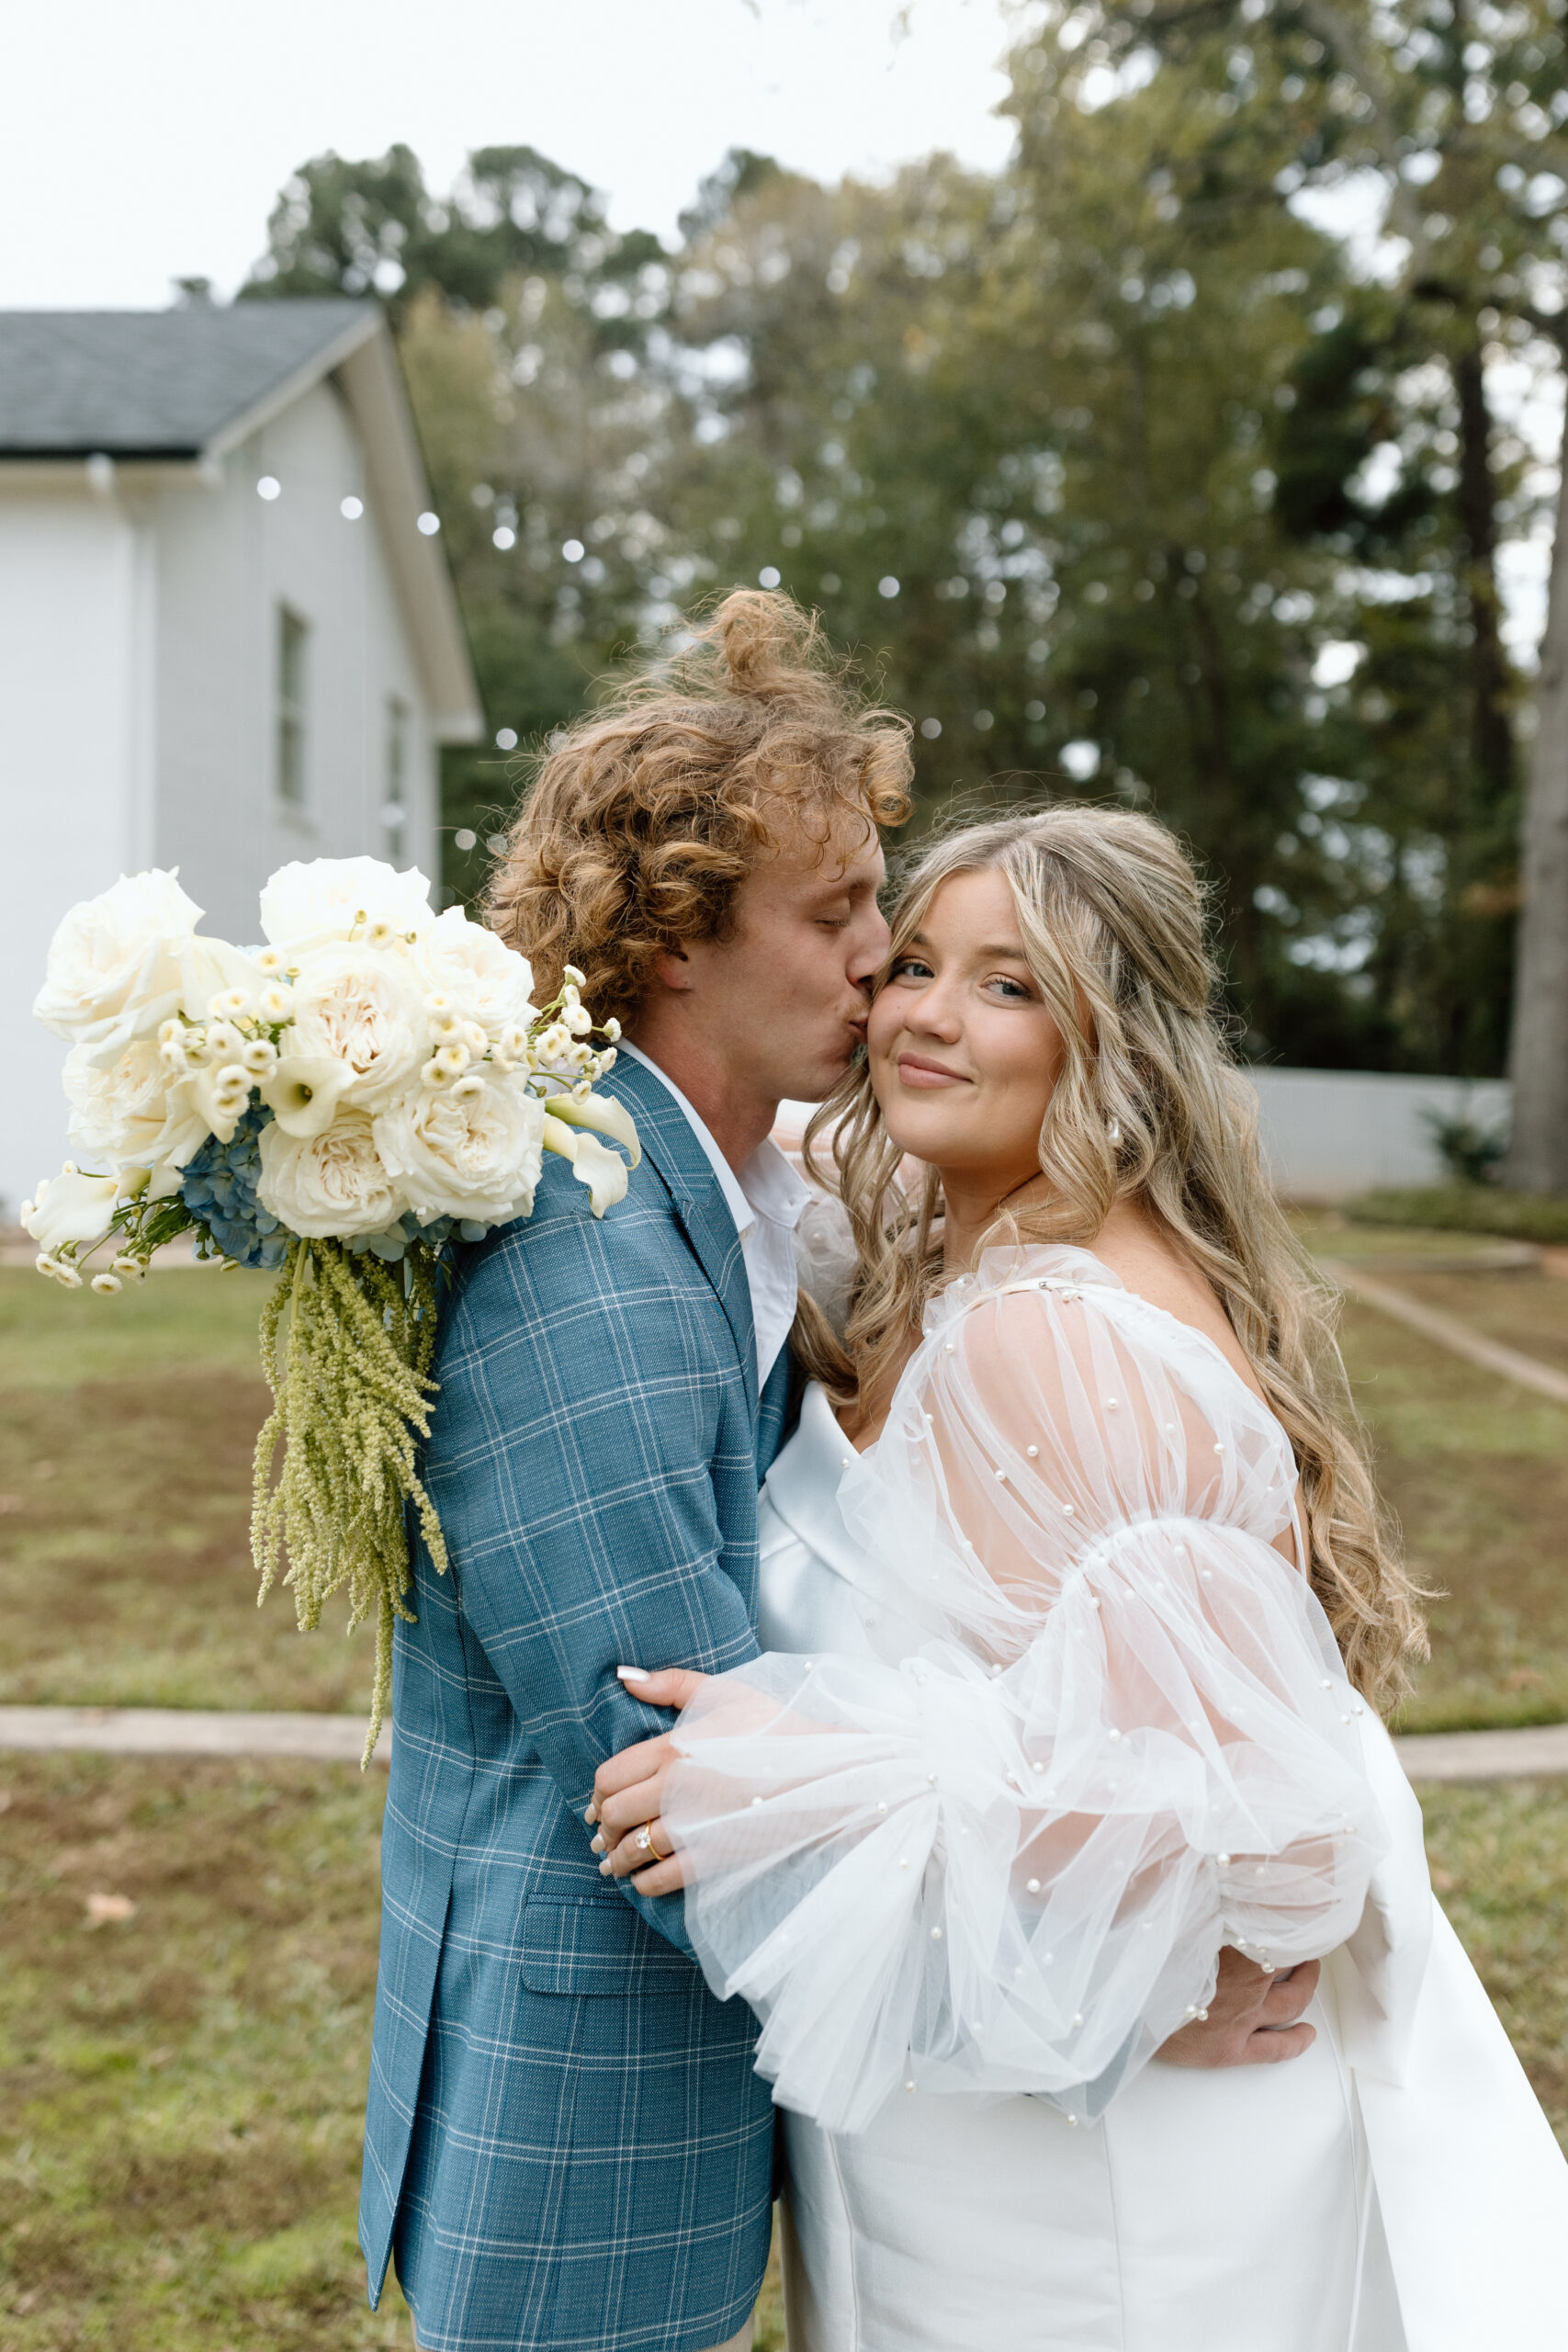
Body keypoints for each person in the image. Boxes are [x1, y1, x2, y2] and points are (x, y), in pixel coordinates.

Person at [592, 806, 1568, 2351]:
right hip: (979, 2109)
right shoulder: (952, 1243)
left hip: (1100, 2183)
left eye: (1009, 986)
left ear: (1113, 1042)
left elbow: (1259, 1837)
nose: (926, 1013)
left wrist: (781, 1777)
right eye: (915, 962)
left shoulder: (1062, 1337)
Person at [358, 591, 911, 2352]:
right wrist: (1042, 1996)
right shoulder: (583, 1254)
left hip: (655, 2082)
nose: (882, 954)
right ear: (674, 937)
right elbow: (675, 1768)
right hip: (577, 2122)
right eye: (836, 914)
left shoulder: (733, 1203)